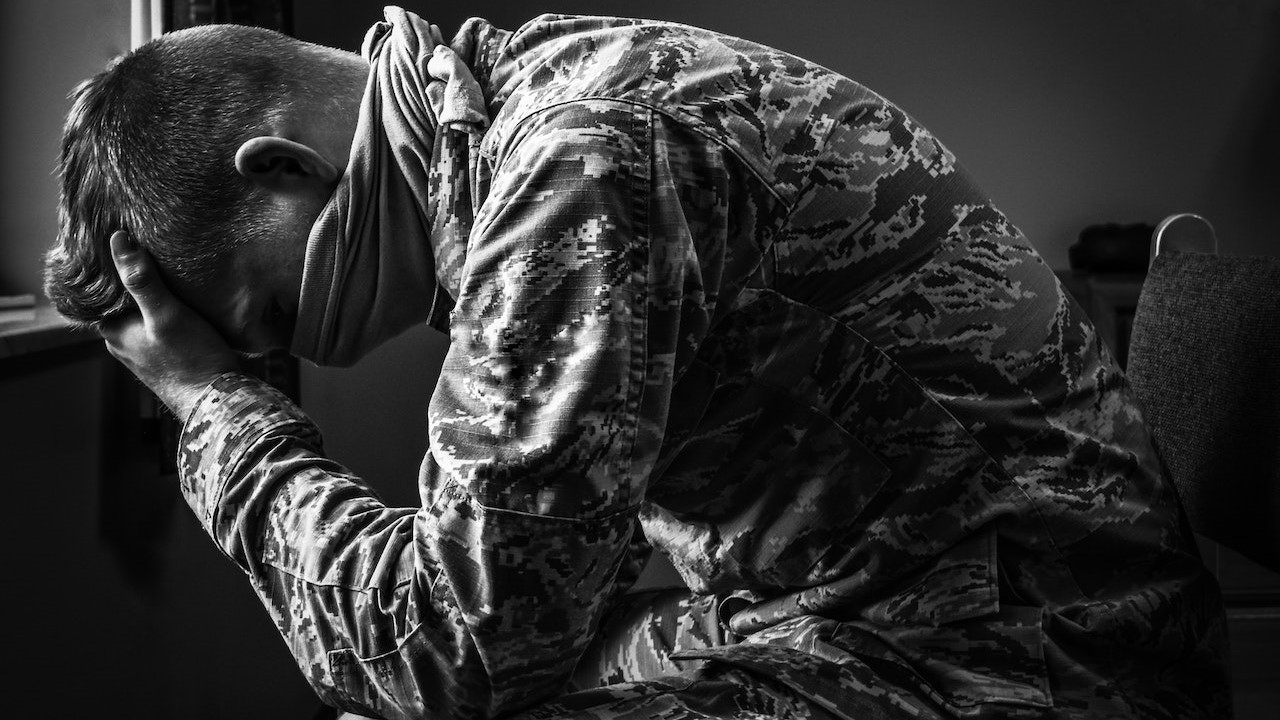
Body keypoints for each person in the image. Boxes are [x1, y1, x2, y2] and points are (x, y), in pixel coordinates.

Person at [45, 7, 1232, 719]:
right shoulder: (526, 106)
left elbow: (448, 647)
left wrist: (212, 404)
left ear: (283, 168)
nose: (291, 349)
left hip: (1039, 664)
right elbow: (508, 615)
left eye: (262, 310)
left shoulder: (573, 162)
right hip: (891, 610)